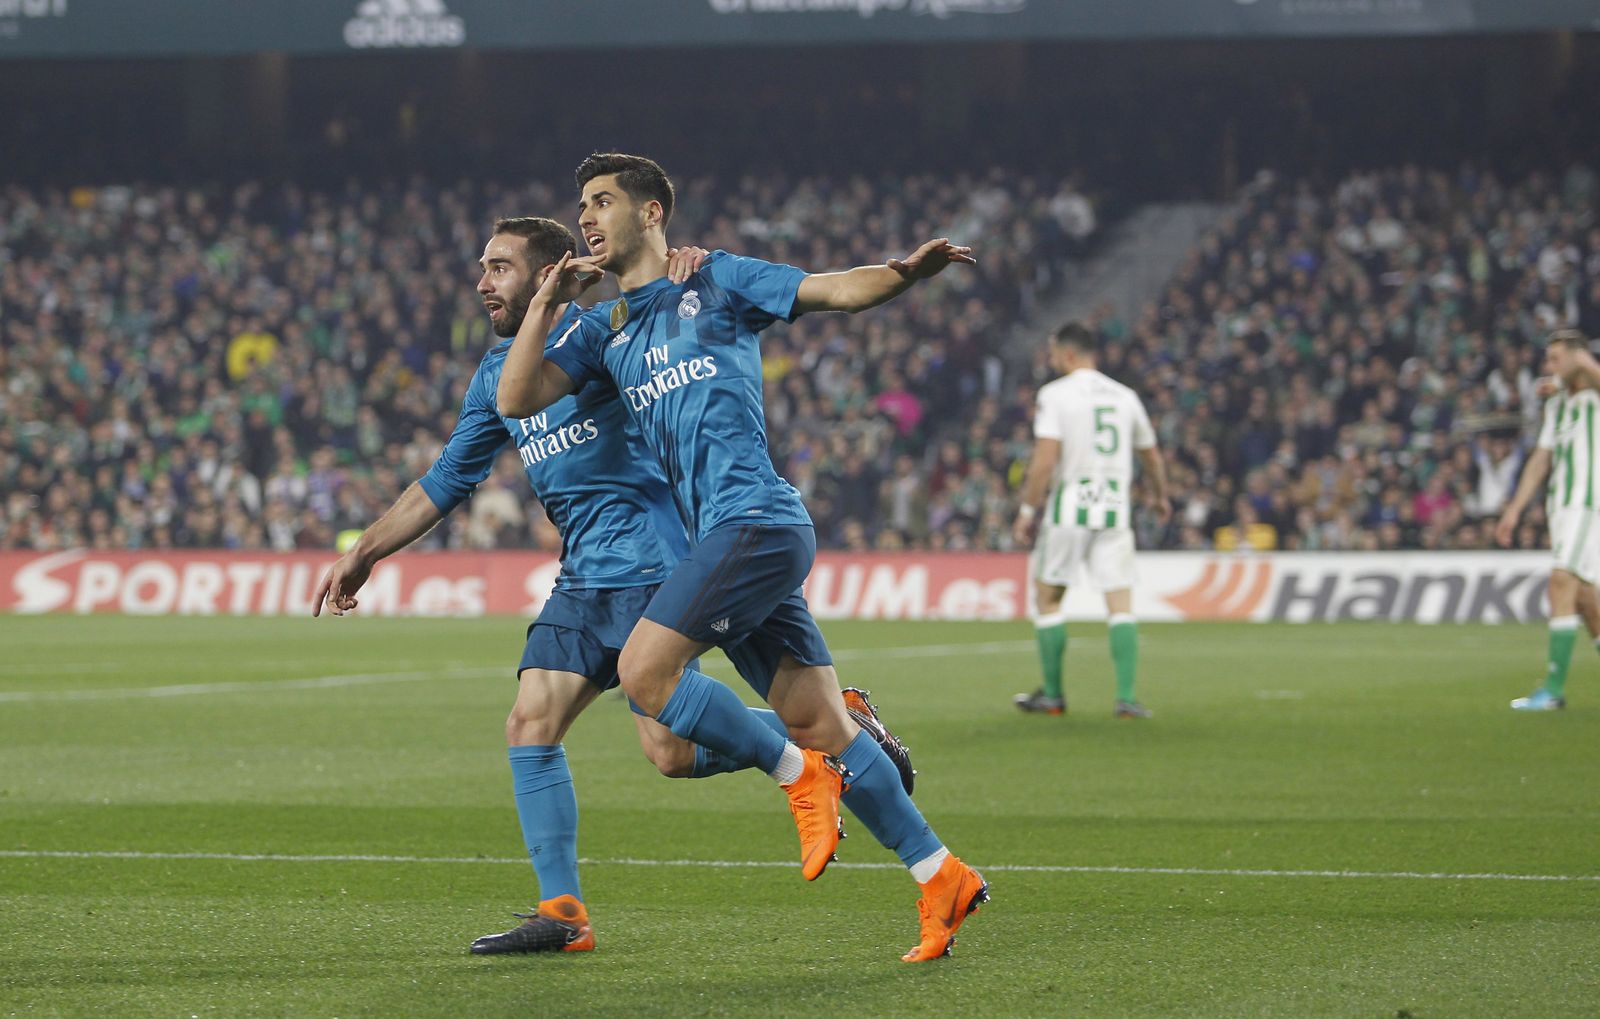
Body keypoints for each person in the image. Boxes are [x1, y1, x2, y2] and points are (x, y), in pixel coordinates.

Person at [312, 216, 914, 955]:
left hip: (656, 561)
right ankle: (563, 912)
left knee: (667, 749)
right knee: (531, 721)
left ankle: (830, 733)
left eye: (498, 267)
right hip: (583, 575)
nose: (480, 283)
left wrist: (681, 271)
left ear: (547, 273)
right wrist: (366, 552)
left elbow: (674, 318)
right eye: (481, 267)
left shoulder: (609, 334)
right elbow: (444, 481)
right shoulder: (500, 381)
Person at [496, 152, 986, 963]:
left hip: (755, 519)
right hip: (721, 538)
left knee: (649, 674)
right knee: (820, 720)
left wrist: (904, 272)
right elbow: (515, 398)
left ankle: (800, 776)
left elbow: (831, 287)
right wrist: (547, 296)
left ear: (652, 213)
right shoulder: (601, 331)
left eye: (603, 200)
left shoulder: (716, 279)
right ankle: (941, 873)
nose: (586, 216)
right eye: (580, 203)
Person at [1009, 322, 1170, 718]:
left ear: (1067, 354)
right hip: (1114, 505)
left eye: (1052, 353)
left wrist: (1028, 509)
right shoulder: (1125, 396)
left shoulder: (1056, 395)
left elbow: (1046, 459)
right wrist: (1159, 495)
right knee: (1120, 601)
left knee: (1048, 598)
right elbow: (1150, 455)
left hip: (1070, 505)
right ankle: (1127, 698)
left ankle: (1053, 694)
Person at [1497, 330, 1600, 711]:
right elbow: (1542, 458)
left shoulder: (1593, 395)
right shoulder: (1558, 405)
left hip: (1588, 503)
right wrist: (1514, 509)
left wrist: (1583, 363)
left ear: (1577, 358)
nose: (1548, 367)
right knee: (1588, 600)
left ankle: (1553, 689)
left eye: (1556, 359)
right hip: (1563, 505)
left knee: (1560, 582)